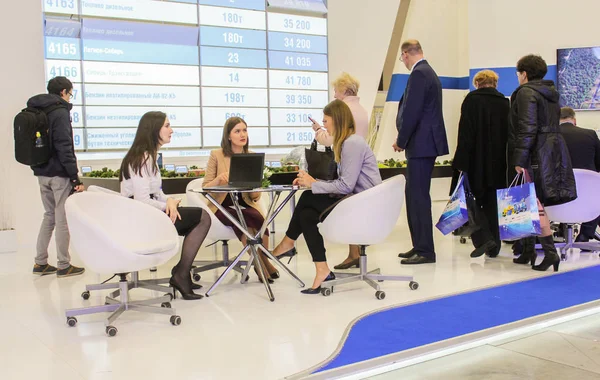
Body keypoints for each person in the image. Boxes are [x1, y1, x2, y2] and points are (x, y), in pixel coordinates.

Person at [271, 99, 382, 294]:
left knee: (307, 198)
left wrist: (313, 183)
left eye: (326, 121)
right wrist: (313, 182)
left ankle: (288, 243)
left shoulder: (352, 143)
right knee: (306, 214)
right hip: (356, 201)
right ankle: (322, 269)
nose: (324, 126)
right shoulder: (346, 142)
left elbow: (346, 185)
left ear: (337, 121)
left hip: (365, 206)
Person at [120, 111, 211, 300]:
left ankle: (181, 271)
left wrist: (169, 201)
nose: (172, 130)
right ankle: (181, 273)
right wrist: (166, 205)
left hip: (148, 214)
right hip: (141, 219)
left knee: (197, 217)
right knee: (202, 218)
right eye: (167, 126)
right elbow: (141, 201)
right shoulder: (142, 159)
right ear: (154, 129)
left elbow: (156, 193)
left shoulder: (148, 156)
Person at [510, 55, 576, 271]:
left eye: (519, 73)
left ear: (524, 74)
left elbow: (527, 127)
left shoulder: (526, 93)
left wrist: (519, 158)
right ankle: (529, 249)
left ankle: (549, 253)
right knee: (531, 199)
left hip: (535, 152)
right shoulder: (551, 93)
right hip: (552, 149)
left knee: (533, 201)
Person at [203, 117, 279, 283]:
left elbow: (255, 196)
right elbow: (205, 188)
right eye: (237, 131)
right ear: (229, 136)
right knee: (244, 222)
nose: (242, 134)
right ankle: (262, 267)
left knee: (258, 219)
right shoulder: (217, 155)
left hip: (244, 203)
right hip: (222, 206)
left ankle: (262, 262)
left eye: (244, 130)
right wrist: (219, 180)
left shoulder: (251, 156)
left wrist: (255, 186)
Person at [394, 39, 449, 265]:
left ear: (406, 54)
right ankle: (419, 245)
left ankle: (425, 250)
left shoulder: (419, 74)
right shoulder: (428, 72)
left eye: (402, 57)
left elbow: (411, 112)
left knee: (417, 198)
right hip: (425, 144)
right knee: (415, 196)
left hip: (421, 145)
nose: (403, 62)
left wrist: (401, 140)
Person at [310, 72, 370, 270]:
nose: (334, 95)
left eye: (336, 91)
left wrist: (320, 131)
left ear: (344, 90)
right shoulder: (361, 109)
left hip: (350, 176)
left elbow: (334, 140)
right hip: (361, 180)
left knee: (311, 201)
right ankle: (353, 254)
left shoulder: (345, 111)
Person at [30, 76, 85, 277]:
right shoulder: (60, 111)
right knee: (62, 218)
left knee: (49, 216)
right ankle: (64, 264)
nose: (70, 97)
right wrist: (74, 177)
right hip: (58, 174)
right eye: (70, 93)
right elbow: (64, 146)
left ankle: (40, 262)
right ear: (63, 92)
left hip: (41, 172)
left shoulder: (39, 109)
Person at [451, 70, 509, 258]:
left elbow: (466, 132)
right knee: (493, 202)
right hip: (499, 162)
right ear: (495, 83)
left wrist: (460, 161)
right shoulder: (504, 102)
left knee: (472, 200)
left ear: (477, 83)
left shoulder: (471, 100)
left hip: (476, 161)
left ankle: (483, 238)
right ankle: (495, 246)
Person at [559, 107, 600, 243]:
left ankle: (553, 233)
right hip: (586, 196)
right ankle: (585, 234)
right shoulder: (590, 134)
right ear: (574, 120)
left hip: (556, 198)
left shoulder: (550, 137)